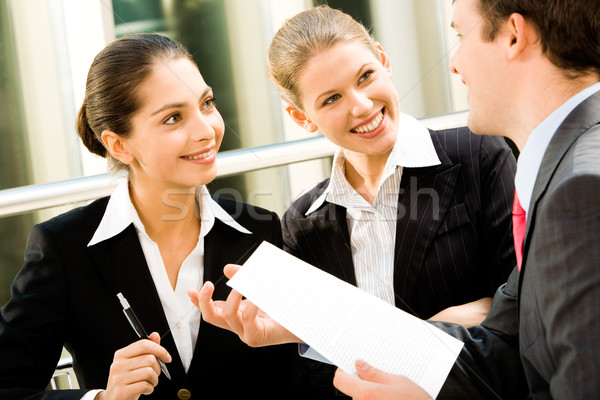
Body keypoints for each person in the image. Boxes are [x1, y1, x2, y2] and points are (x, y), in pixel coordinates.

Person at [189, 5, 517, 399]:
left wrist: (367, 334)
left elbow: (517, 313)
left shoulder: (479, 156)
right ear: (301, 116)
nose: (361, 105)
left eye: (365, 76)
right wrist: (295, 332)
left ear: (383, 59)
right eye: (331, 99)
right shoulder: (303, 221)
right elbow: (317, 377)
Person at [0, 33, 297, 400]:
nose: (207, 130)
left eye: (206, 103)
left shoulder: (262, 229)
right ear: (119, 145)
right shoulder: (64, 248)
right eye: (173, 118)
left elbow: (298, 376)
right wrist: (101, 399)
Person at [331, 0, 600, 398]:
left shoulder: (581, 189)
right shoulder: (560, 171)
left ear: (513, 35)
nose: (454, 64)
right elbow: (508, 343)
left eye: (460, 35)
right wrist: (343, 334)